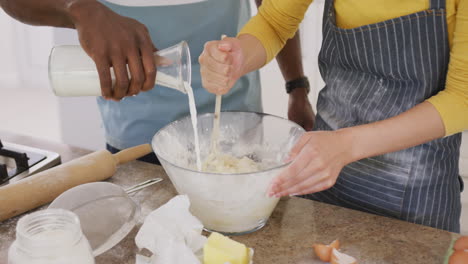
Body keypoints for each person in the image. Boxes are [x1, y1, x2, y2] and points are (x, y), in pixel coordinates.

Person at [199, 0, 468, 232]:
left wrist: (345, 145)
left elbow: (463, 98)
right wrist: (240, 55)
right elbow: (273, 22)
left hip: (414, 196)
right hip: (323, 177)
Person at [0, 0, 314, 163]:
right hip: (136, 134)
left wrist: (296, 87)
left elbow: (275, 14)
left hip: (235, 124)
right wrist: (78, 8)